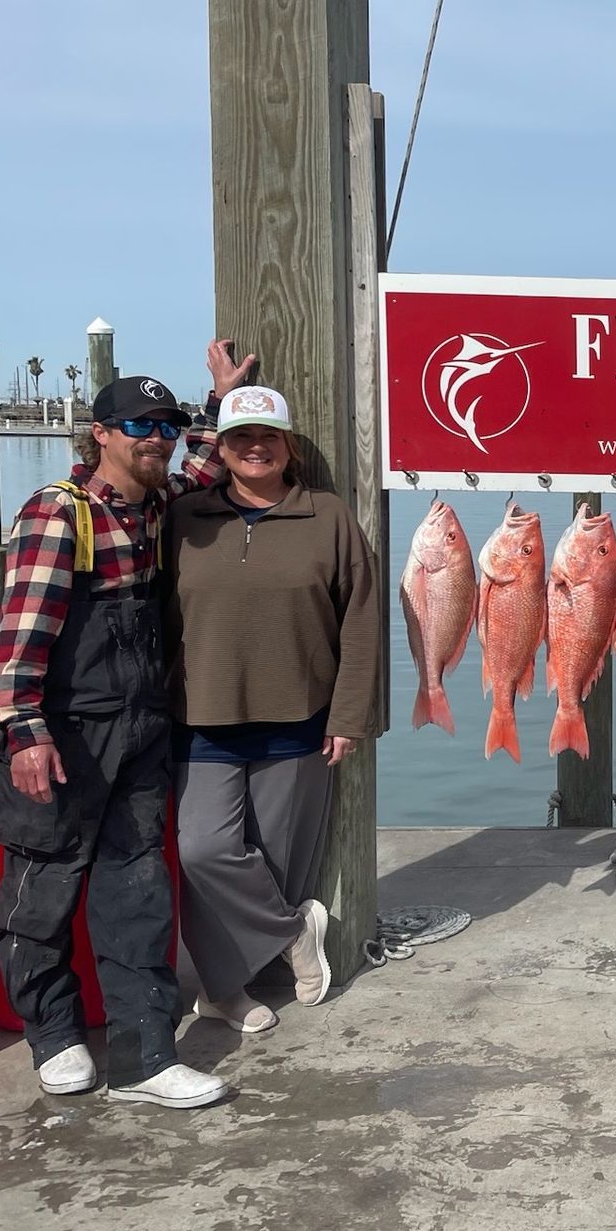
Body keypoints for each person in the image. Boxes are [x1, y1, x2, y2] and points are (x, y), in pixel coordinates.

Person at [0, 341, 254, 1108]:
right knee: (41, 894)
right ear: (99, 433)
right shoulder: (56, 512)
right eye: (138, 424)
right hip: (60, 739)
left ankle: (143, 1059)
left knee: (137, 892)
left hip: (139, 730)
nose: (156, 439)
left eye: (164, 427)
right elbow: (20, 637)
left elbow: (206, 464)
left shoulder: (159, 504)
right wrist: (23, 731)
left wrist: (217, 400)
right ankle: (56, 1037)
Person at [165, 386, 382, 1032]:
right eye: (240, 437)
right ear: (222, 448)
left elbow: (363, 624)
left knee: (278, 861)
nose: (255, 447)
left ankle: (225, 990)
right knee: (203, 850)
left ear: (290, 447)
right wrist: (220, 395)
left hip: (299, 718)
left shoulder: (330, 517)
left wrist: (348, 717)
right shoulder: (184, 516)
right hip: (201, 716)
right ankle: (294, 934)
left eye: (269, 437)